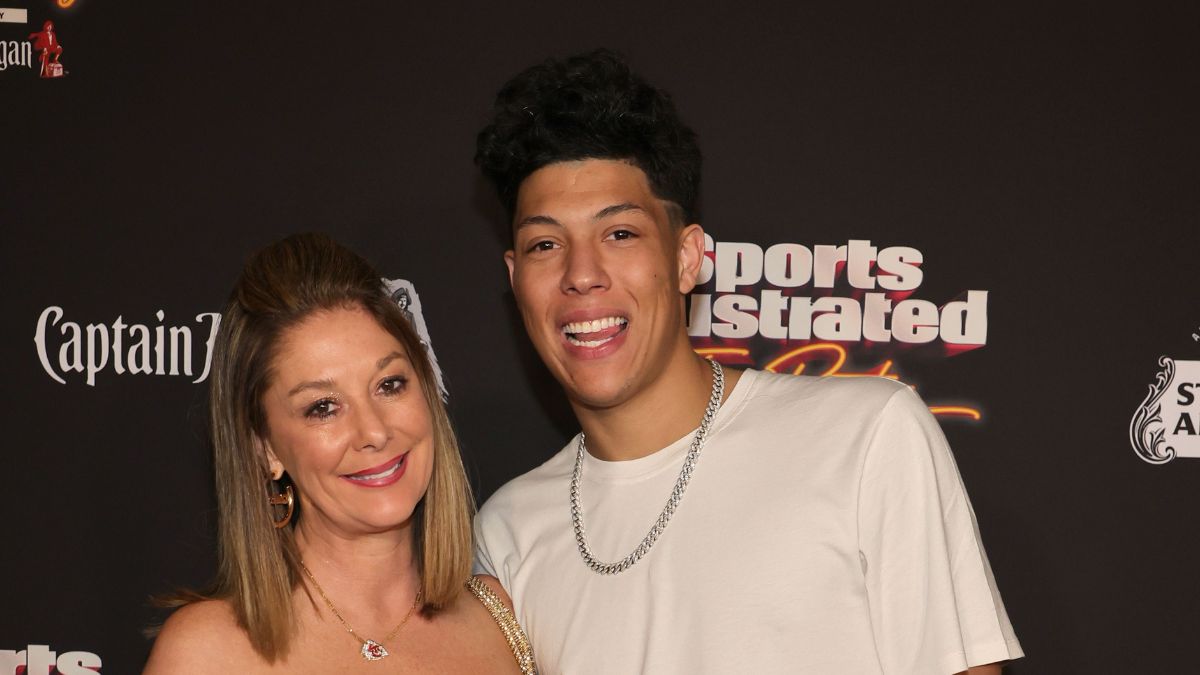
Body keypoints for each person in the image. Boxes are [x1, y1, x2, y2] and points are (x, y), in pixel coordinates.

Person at [472, 50, 1023, 674]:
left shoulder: (864, 439)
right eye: (545, 244)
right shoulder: (508, 535)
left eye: (620, 234)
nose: (581, 276)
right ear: (516, 279)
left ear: (687, 258)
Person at [144, 233, 535, 674]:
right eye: (323, 408)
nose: (373, 431)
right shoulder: (206, 654)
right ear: (265, 447)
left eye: (389, 385)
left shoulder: (504, 620)